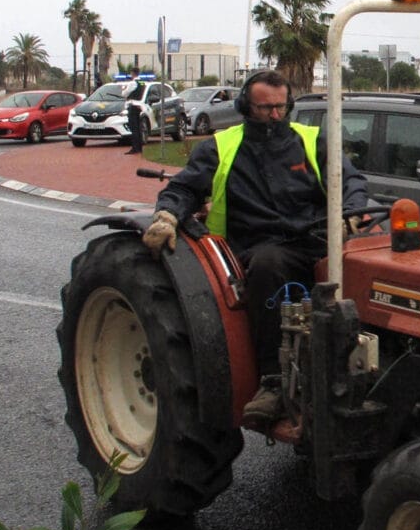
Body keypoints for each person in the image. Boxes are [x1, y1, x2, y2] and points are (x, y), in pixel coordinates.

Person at [140, 69, 368, 428]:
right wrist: (167, 215)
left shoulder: (311, 141)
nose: (275, 115)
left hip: (314, 240)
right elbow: (184, 188)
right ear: (245, 105)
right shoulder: (222, 146)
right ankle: (273, 381)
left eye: (280, 107)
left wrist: (352, 214)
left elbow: (350, 180)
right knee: (268, 266)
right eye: (265, 108)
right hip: (257, 245)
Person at [124, 81, 145, 154]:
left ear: (132, 73)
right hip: (139, 106)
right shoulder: (141, 82)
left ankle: (135, 148)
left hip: (132, 106)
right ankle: (139, 148)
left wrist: (124, 92)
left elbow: (125, 93)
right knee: (138, 128)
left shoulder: (132, 83)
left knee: (134, 128)